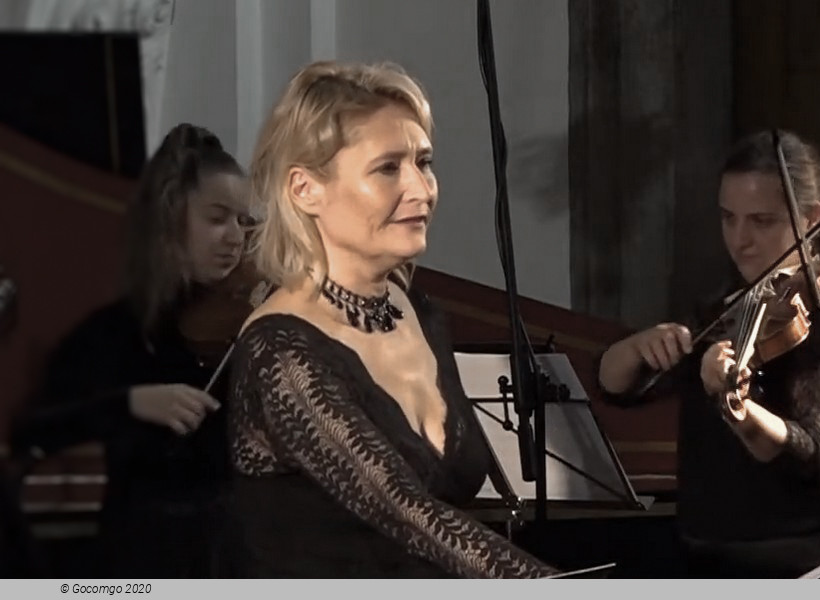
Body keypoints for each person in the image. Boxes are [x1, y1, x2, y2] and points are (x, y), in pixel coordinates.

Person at [222, 60, 558, 579]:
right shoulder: (280, 352)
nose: (422, 189)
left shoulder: (418, 311)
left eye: (424, 162)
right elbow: (412, 516)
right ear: (305, 189)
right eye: (387, 168)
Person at [598, 130, 820, 578]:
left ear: (811, 219)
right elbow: (616, 387)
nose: (740, 240)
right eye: (728, 218)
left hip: (791, 560)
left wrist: (738, 409)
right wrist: (638, 346)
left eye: (761, 221)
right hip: (700, 553)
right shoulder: (721, 309)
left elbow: (810, 451)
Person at [10, 123, 253, 577]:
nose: (236, 237)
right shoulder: (114, 332)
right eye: (218, 219)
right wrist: (132, 403)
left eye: (244, 221)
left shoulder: (250, 326)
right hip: (141, 553)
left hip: (237, 551)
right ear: (169, 220)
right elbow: (32, 430)